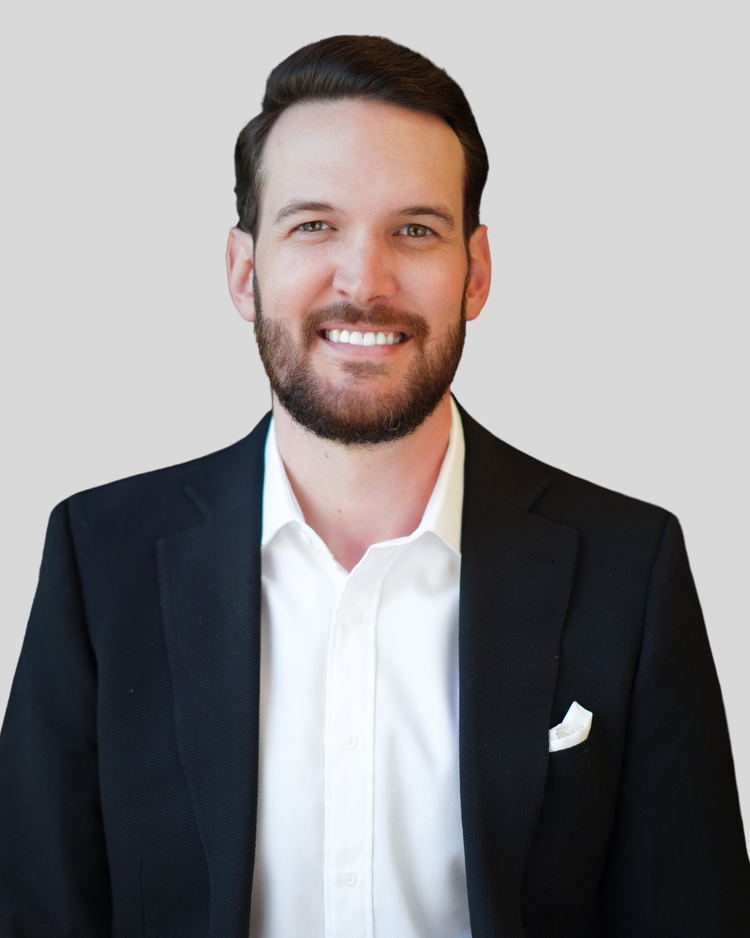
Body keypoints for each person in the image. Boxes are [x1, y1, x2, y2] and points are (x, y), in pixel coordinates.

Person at [0, 33, 748, 938]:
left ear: (474, 272)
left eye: (415, 230)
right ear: (245, 271)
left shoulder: (632, 567)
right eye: (314, 225)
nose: (366, 281)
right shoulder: (99, 557)